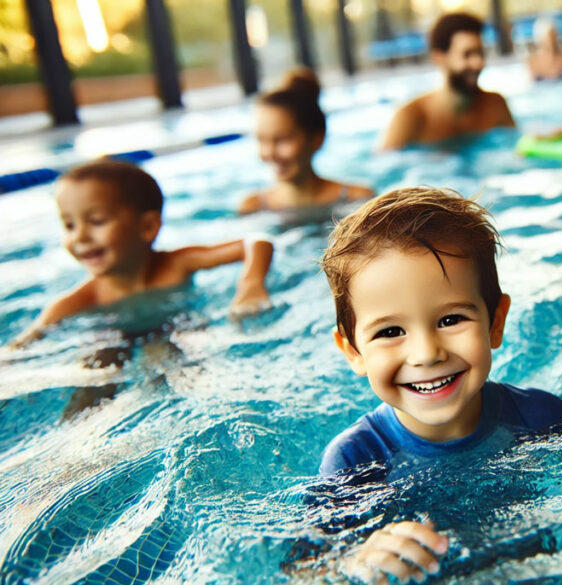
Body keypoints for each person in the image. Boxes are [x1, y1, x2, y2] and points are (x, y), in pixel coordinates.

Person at [317, 187, 562, 583]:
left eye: (451, 320)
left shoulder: (533, 416)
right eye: (391, 331)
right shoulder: (354, 462)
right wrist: (354, 562)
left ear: (495, 323)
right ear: (353, 351)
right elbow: (305, 569)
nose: (426, 354)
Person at [11, 160, 274, 347]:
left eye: (97, 221)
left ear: (147, 226)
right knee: (97, 368)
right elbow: (22, 345)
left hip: (176, 330)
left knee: (168, 356)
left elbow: (256, 242)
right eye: (69, 225)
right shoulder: (78, 301)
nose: (80, 237)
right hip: (109, 337)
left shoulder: (176, 264)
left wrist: (250, 283)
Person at [239, 67, 373, 214]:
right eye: (262, 140)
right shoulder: (252, 207)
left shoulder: (358, 199)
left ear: (317, 139)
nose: (269, 152)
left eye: (282, 139)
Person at [377, 13, 515, 151]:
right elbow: (384, 163)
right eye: (467, 54)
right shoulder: (410, 117)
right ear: (439, 58)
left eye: (480, 53)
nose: (478, 63)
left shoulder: (495, 105)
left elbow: (516, 148)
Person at [526, 16, 562, 81]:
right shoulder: (532, 62)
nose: (551, 41)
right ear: (539, 39)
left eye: (553, 36)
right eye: (547, 37)